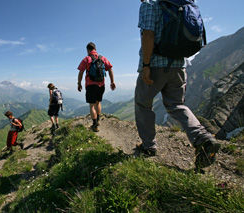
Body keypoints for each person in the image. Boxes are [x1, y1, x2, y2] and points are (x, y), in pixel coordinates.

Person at [135, 0, 221, 169]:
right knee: (176, 105)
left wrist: (146, 66)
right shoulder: (180, 3)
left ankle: (149, 146)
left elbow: (148, 34)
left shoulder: (150, 4)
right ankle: (202, 137)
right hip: (180, 65)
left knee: (142, 103)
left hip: (156, 64)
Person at [77, 42, 116, 132]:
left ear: (88, 49)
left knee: (92, 105)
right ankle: (98, 121)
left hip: (90, 85)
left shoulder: (86, 59)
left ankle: (95, 125)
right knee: (98, 103)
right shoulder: (103, 58)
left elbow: (81, 72)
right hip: (101, 85)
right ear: (95, 49)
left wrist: (79, 83)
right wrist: (112, 81)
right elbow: (110, 69)